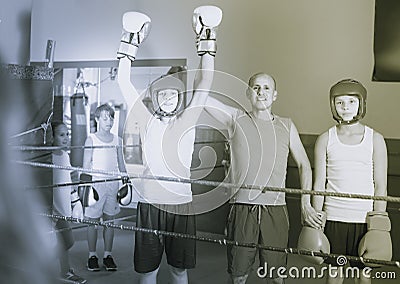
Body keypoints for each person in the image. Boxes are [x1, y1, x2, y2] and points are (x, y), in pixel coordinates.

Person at [117, 7, 221, 284]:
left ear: (179, 99)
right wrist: (130, 40)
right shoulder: (146, 118)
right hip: (149, 204)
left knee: (178, 269)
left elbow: (206, 81)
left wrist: (207, 40)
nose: (167, 99)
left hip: (181, 205)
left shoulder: (187, 119)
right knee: (147, 271)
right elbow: (122, 81)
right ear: (156, 98)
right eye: (162, 94)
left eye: (172, 95)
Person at [204, 72, 317, 284]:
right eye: (256, 87)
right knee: (238, 276)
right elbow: (201, 97)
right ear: (248, 93)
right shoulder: (234, 118)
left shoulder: (286, 125)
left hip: (275, 209)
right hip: (242, 207)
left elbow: (304, 164)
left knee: (275, 278)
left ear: (275, 95)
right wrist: (203, 59)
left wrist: (306, 204)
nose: (261, 92)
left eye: (266, 88)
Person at [312, 79, 391, 284]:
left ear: (361, 104)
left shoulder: (376, 139)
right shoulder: (324, 139)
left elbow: (380, 184)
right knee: (334, 275)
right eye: (340, 102)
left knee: (363, 276)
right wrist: (314, 223)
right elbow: (319, 184)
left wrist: (378, 225)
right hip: (334, 217)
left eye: (351, 102)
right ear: (333, 105)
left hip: (364, 219)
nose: (345, 107)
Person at [82, 103, 128, 271]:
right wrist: (85, 189)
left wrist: (126, 183)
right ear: (97, 119)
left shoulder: (118, 140)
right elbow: (85, 165)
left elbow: (122, 165)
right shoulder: (91, 139)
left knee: (110, 221)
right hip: (96, 185)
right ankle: (91, 255)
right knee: (92, 222)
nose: (109, 121)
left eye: (111, 117)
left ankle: (108, 255)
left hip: (113, 184)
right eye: (105, 118)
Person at [51, 121, 87, 283]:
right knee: (66, 241)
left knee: (65, 241)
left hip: (64, 207)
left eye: (67, 134)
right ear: (52, 137)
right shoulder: (48, 157)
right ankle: (64, 271)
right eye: (61, 135)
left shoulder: (64, 155)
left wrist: (76, 202)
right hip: (52, 210)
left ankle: (63, 269)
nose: (66, 138)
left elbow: (69, 181)